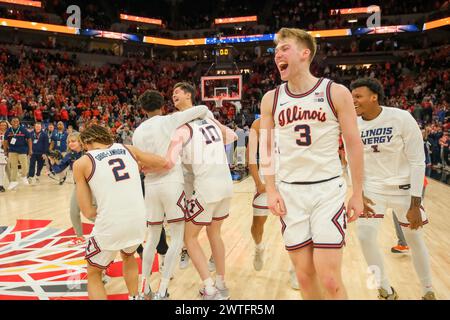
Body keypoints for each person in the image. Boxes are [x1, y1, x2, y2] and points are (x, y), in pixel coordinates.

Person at [259, 28, 364, 300]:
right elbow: (266, 147)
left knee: (329, 280)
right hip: (290, 192)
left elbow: (353, 144)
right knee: (304, 277)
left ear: (305, 54)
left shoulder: (335, 92)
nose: (277, 54)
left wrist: (358, 194)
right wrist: (270, 189)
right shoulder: (271, 98)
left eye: (284, 48)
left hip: (326, 191)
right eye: (276, 50)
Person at [351, 77, 435, 300]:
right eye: (352, 97)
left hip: (404, 190)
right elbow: (352, 160)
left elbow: (418, 161)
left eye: (358, 97)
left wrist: (415, 203)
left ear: (374, 96)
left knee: (414, 240)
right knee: (365, 236)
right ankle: (385, 289)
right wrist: (357, 192)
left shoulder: (401, 118)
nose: (354, 101)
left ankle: (428, 290)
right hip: (372, 190)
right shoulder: (353, 124)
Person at [73, 124, 169, 300]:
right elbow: (163, 162)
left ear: (86, 142)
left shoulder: (82, 163)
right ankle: (134, 297)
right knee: (128, 256)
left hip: (111, 223)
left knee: (94, 273)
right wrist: (141, 167)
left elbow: (87, 211)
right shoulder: (128, 149)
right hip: (138, 221)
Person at [132, 89, 210, 300]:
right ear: (163, 106)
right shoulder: (168, 120)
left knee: (152, 238)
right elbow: (201, 108)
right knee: (177, 236)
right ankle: (163, 288)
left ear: (142, 109)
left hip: (150, 185)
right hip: (172, 182)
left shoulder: (137, 131)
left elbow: (141, 161)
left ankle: (144, 288)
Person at [169, 81, 237, 300]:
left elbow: (168, 162)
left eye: (177, 92)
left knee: (190, 238)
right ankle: (221, 283)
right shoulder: (209, 119)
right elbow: (232, 136)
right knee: (214, 233)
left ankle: (209, 289)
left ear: (189, 95)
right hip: (225, 183)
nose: (173, 96)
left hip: (205, 187)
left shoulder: (181, 128)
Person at [246, 118, 299, 290]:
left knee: (294, 226)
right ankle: (259, 247)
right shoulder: (257, 124)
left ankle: (295, 269)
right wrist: (257, 182)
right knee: (257, 224)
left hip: (289, 179)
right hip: (265, 179)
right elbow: (251, 156)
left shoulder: (292, 119)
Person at [48, 132, 88, 247]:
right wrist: (53, 162)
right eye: (69, 142)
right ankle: (80, 237)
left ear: (80, 141)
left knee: (92, 213)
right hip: (79, 186)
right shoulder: (69, 155)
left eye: (73, 141)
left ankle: (110, 230)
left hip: (93, 186)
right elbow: (58, 169)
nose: (70, 143)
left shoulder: (89, 153)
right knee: (73, 212)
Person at [3, 117, 32, 190]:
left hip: (22, 150)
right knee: (13, 167)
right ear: (11, 122)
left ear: (19, 122)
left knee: (24, 165)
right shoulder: (8, 131)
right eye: (14, 121)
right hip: (12, 150)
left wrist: (30, 149)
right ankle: (13, 181)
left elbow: (29, 139)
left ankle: (24, 176)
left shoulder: (23, 129)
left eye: (17, 121)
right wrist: (5, 150)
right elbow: (5, 141)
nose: (15, 122)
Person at [0, 120, 8, 192]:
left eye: (4, 125)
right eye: (1, 125)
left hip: (3, 153)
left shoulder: (9, 133)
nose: (3, 126)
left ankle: (1, 185)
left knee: (2, 170)